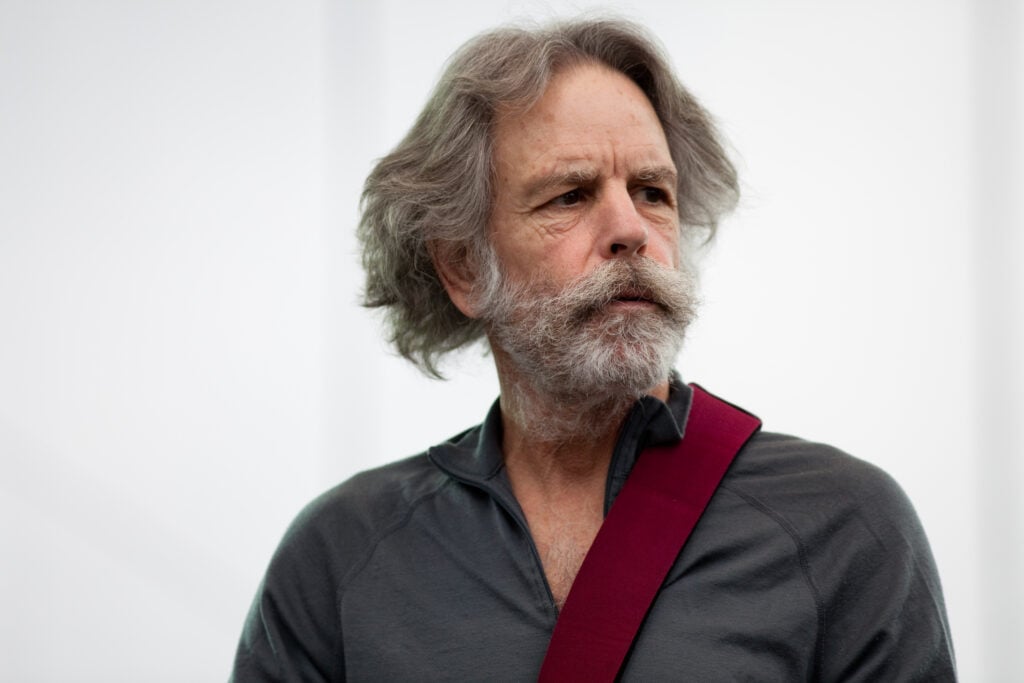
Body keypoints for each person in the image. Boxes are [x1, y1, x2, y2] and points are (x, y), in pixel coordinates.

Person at [231, 17, 955, 681]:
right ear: (461, 267)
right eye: (570, 196)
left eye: (652, 191)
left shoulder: (845, 525)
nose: (630, 229)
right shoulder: (340, 555)